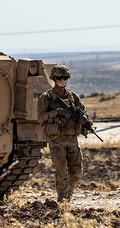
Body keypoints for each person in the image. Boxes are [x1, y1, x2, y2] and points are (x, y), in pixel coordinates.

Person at [37, 65, 89, 202]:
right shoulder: (47, 97)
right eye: (59, 78)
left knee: (77, 172)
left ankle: (69, 193)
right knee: (61, 172)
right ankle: (62, 200)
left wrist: (84, 119)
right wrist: (57, 112)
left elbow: (83, 111)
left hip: (72, 139)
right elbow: (40, 117)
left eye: (65, 77)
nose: (62, 80)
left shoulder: (73, 96)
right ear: (54, 79)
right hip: (57, 139)